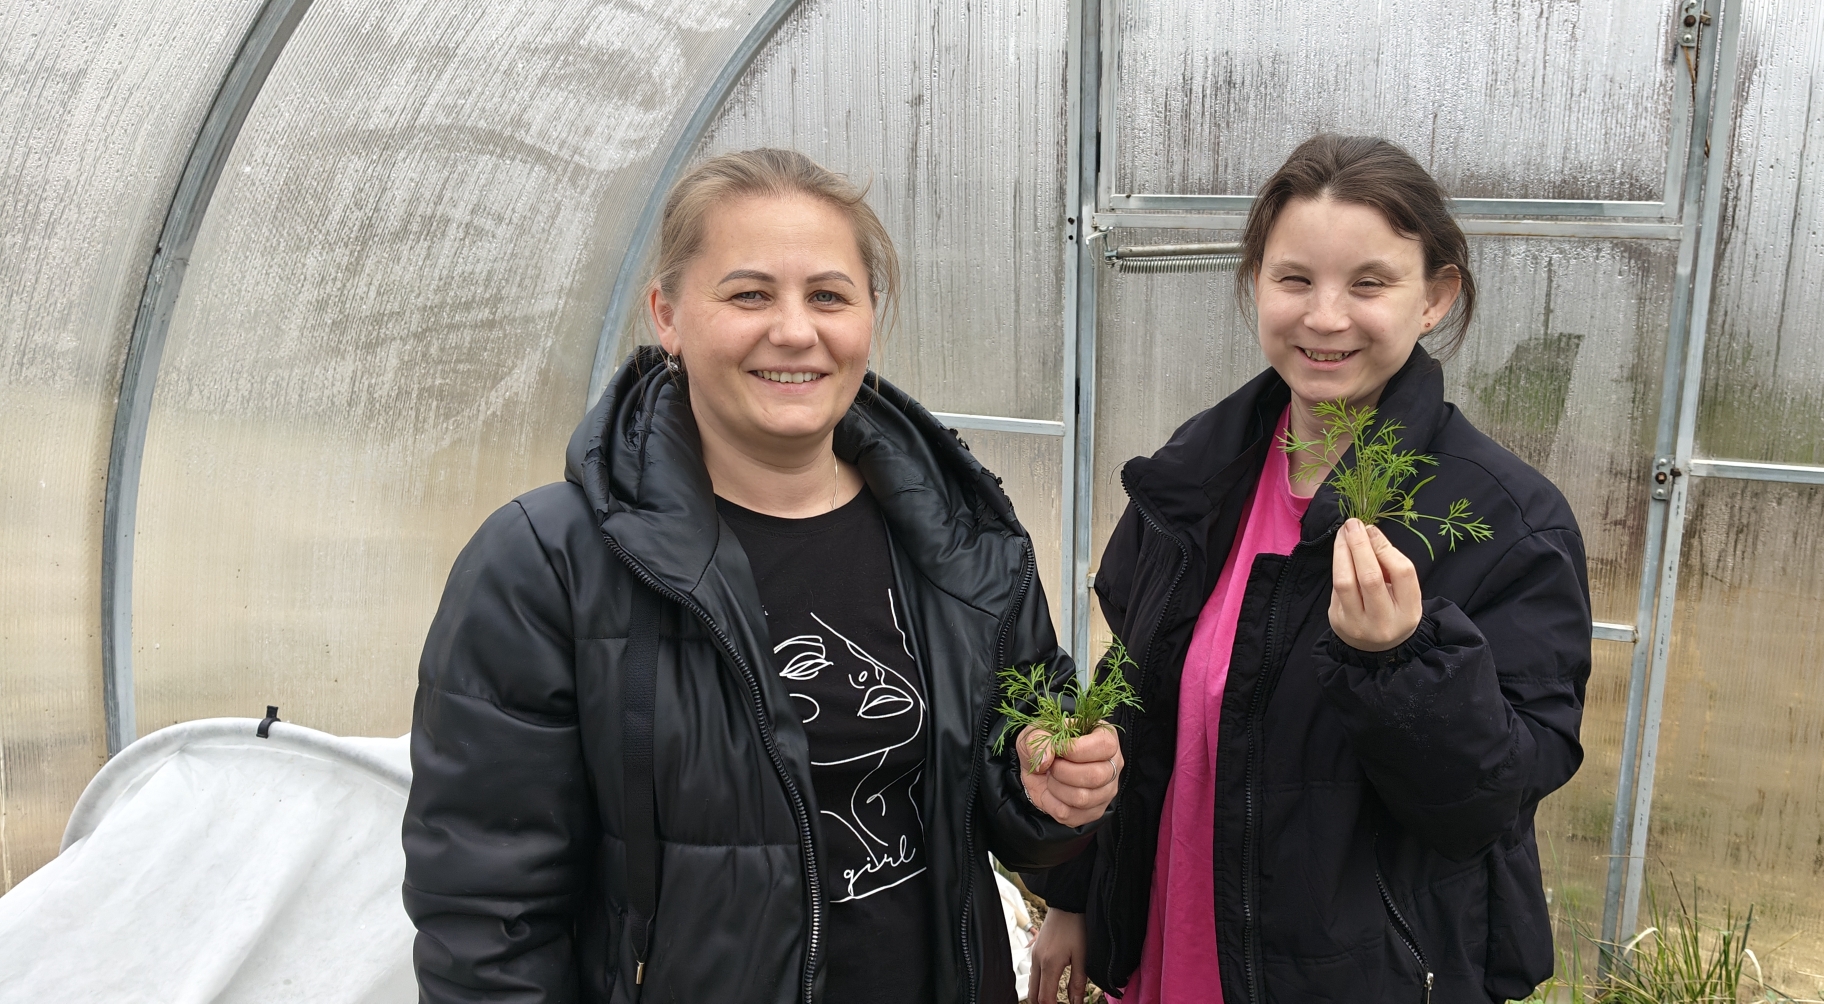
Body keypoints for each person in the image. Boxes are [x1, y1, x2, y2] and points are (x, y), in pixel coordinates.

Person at [402, 148, 1122, 1004]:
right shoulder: (547, 565)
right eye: (749, 295)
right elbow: (488, 918)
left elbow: (1013, 793)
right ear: (668, 315)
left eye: (828, 296)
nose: (794, 331)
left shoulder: (959, 539)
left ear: (869, 315)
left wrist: (1052, 788)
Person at [1026, 135, 1592, 1004]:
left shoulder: (1506, 522)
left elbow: (1488, 806)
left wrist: (1399, 662)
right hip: (1173, 950)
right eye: (1294, 279)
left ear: (1435, 297)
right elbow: (1134, 696)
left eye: (1369, 284)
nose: (1325, 318)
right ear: (1255, 282)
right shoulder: (1197, 473)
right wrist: (1074, 894)